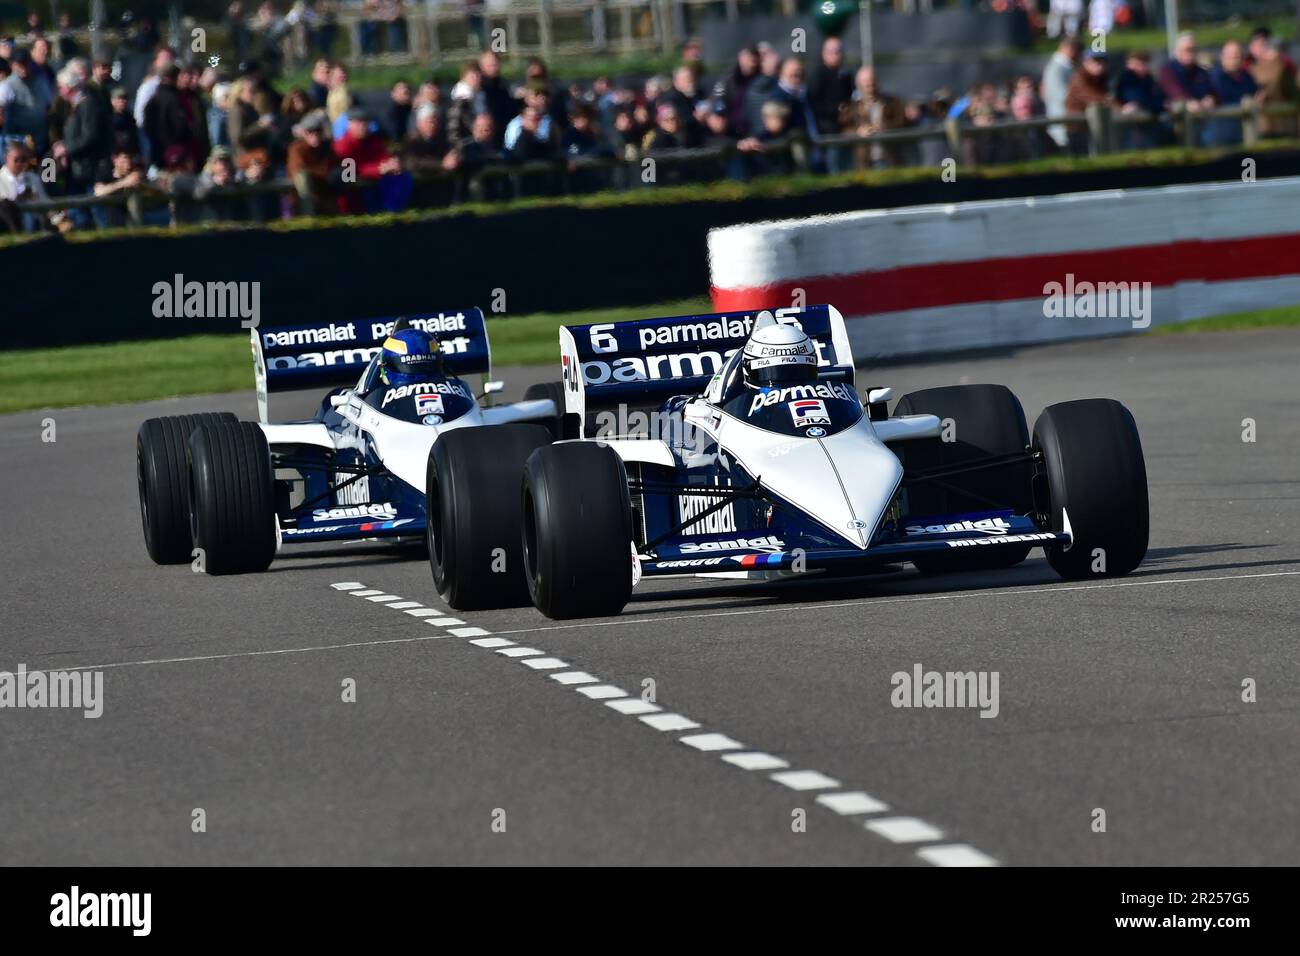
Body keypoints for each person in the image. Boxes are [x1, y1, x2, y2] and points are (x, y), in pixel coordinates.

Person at [1207, 41, 1258, 146]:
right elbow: (1223, 97)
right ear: (1222, 57)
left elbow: (1254, 94)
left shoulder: (1247, 77)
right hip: (1220, 132)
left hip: (1243, 132)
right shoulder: (1215, 76)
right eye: (1231, 56)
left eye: (1238, 55)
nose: (1235, 59)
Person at [1115, 50, 1167, 148]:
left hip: (1149, 122)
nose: (1141, 67)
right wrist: (1157, 104)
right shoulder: (1127, 78)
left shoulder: (1148, 79)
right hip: (1132, 125)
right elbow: (1136, 99)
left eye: (1143, 63)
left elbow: (1159, 97)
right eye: (1138, 63)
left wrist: (1156, 104)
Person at [1250, 37, 1300, 139]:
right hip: (1283, 125)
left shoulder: (1252, 69)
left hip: (1258, 127)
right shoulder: (1281, 69)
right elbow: (1295, 95)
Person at [1040, 36, 1080, 148]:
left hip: (1069, 122)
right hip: (1062, 124)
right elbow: (1061, 97)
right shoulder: (1056, 69)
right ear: (1069, 49)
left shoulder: (1064, 67)